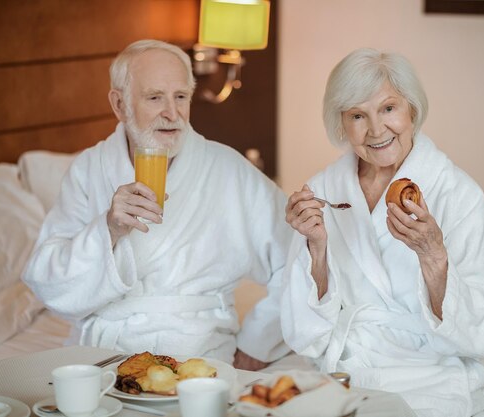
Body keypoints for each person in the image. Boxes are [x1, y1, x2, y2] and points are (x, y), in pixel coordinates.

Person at [23, 39, 291, 370]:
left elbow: (297, 257)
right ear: (119, 104)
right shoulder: (89, 169)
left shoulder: (227, 169)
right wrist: (108, 230)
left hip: (199, 357)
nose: (172, 113)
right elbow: (50, 285)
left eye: (181, 97)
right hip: (103, 357)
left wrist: (258, 343)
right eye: (155, 97)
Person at [281, 48, 484, 416]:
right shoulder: (322, 191)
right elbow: (304, 333)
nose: (375, 130)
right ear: (341, 124)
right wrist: (316, 249)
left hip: (430, 371)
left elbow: (481, 331)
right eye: (358, 115)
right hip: (346, 370)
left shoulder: (458, 194)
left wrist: (433, 255)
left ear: (412, 110)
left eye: (388, 109)